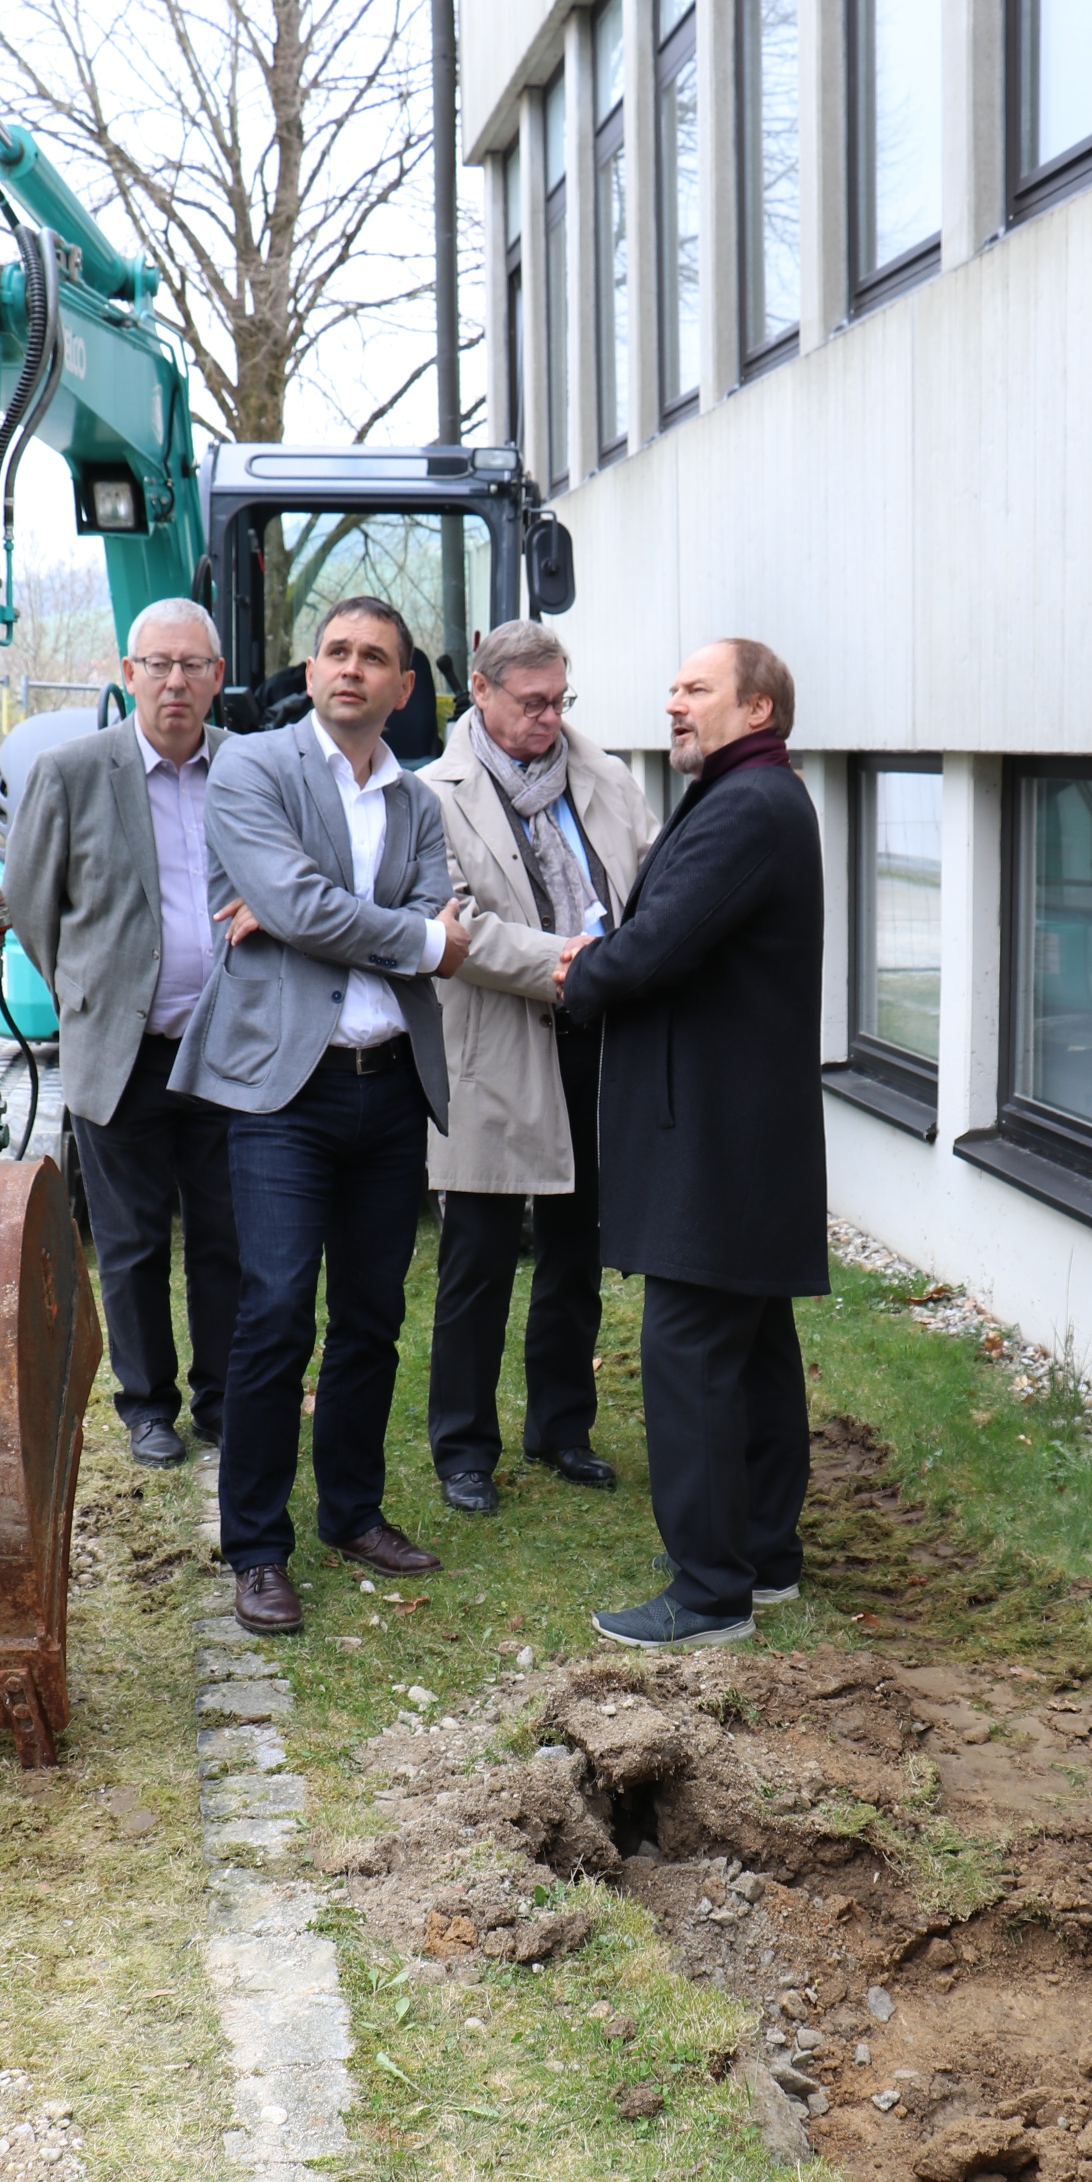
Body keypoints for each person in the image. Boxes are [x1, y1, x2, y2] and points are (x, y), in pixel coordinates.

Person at [170, 596, 470, 1636]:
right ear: (310, 670)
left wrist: (302, 914)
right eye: (336, 652)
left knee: (373, 1316)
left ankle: (351, 1512)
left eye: (373, 658)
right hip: (283, 1091)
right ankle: (256, 1544)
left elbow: (347, 909)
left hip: (388, 1085)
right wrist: (402, 937)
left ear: (400, 687)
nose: (351, 669)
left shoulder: (418, 801)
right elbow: (408, 930)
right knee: (276, 1311)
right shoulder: (252, 767)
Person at [557, 637, 827, 1647]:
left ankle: (708, 1593)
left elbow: (658, 943)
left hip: (714, 1138)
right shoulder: (753, 799)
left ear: (756, 709)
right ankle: (763, 1560)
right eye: (671, 687)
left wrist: (581, 972)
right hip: (738, 1128)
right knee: (749, 1348)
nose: (672, 703)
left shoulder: (748, 808)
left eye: (695, 689)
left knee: (688, 1351)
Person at [421, 620, 657, 1514]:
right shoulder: (430, 795)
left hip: (600, 1038)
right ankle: (463, 1448)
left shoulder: (605, 777)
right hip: (495, 1045)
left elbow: (647, 879)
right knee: (477, 1254)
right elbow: (457, 926)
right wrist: (575, 962)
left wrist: (619, 967)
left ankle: (563, 1426)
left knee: (578, 1245)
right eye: (531, 703)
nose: (548, 719)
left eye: (560, 701)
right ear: (480, 693)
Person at [3, 599, 241, 1470]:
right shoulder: (72, 774)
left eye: (193, 665)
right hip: (121, 1053)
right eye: (158, 664)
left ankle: (221, 1398)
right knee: (133, 1241)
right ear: (129, 672)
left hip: (227, 1049)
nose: (175, 681)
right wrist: (88, 991)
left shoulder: (247, 771)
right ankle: (148, 1407)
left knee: (227, 1236)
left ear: (217, 677)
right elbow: (33, 905)